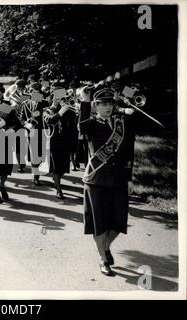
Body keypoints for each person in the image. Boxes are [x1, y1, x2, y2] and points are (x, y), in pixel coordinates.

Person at [78, 87, 135, 276]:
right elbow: (81, 126)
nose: (108, 107)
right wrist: (85, 101)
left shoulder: (121, 124)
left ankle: (106, 247)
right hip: (96, 180)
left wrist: (129, 178)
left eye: (110, 103)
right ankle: (103, 259)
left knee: (118, 222)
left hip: (118, 179)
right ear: (96, 106)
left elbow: (128, 153)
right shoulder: (91, 124)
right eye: (103, 104)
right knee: (99, 222)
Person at [43, 80, 73, 199]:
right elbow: (49, 120)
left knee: (64, 167)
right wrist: (58, 110)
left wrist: (69, 107)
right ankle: (59, 189)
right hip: (53, 142)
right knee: (56, 167)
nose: (58, 100)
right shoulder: (47, 109)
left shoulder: (67, 109)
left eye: (60, 98)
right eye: (56, 98)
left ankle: (57, 180)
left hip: (65, 141)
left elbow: (73, 120)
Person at [20, 82, 48, 185]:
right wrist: (26, 124)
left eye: (37, 92)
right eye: (33, 92)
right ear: (30, 92)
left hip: (42, 131)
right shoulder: (25, 103)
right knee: (34, 155)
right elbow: (22, 118)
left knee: (41, 155)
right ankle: (36, 176)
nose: (35, 94)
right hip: (31, 131)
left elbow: (48, 117)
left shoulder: (45, 103)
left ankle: (37, 170)